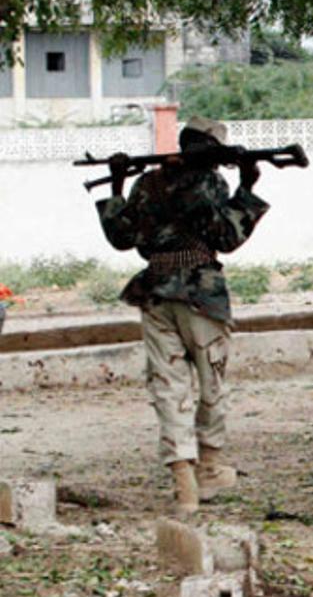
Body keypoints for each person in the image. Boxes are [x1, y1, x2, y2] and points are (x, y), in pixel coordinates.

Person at [94, 116, 269, 518]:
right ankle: (207, 465)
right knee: (212, 381)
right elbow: (227, 236)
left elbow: (121, 237)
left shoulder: (147, 182)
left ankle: (183, 483)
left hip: (154, 291)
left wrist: (118, 185)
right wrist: (247, 187)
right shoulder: (208, 182)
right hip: (200, 295)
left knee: (167, 386)